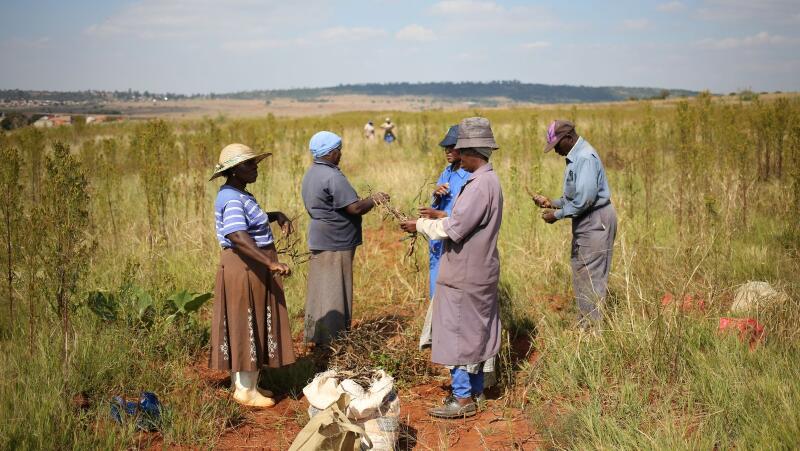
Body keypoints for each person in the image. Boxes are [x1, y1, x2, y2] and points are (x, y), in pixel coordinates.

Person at [400, 117, 502, 419]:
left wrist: (419, 224)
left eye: (459, 149)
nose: (455, 154)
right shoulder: (487, 181)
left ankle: (462, 397)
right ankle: (477, 391)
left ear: (472, 152)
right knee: (476, 332)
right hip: (480, 269)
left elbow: (453, 228)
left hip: (464, 273)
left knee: (455, 332)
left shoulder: (478, 185)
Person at [208, 143, 296, 408]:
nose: (255, 167)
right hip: (245, 266)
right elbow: (237, 236)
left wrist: (275, 215)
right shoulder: (232, 198)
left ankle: (245, 385)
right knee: (248, 323)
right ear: (234, 171)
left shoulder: (238, 194)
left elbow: (248, 224)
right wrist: (268, 263)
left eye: (255, 163)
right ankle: (246, 391)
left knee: (249, 321)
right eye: (249, 164)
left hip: (248, 265)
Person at [301, 131, 390, 346]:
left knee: (319, 288)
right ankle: (335, 339)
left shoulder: (312, 172)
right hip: (336, 240)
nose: (340, 154)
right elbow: (355, 207)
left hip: (320, 237)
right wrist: (375, 199)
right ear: (331, 153)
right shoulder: (332, 176)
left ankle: (316, 334)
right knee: (335, 289)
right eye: (338, 150)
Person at [533, 120, 617, 329]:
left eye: (557, 146)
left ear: (568, 138)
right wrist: (551, 202)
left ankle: (591, 333)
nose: (556, 152)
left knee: (591, 277)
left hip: (595, 221)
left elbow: (585, 200)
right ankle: (585, 326)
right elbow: (577, 197)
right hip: (586, 221)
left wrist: (557, 214)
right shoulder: (575, 158)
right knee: (582, 273)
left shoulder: (585, 158)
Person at [419, 125, 469, 299]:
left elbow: (465, 215)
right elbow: (437, 203)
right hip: (437, 241)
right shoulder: (446, 172)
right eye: (445, 148)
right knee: (436, 287)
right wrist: (436, 196)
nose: (447, 151)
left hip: (453, 238)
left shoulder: (469, 176)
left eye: (451, 147)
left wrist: (438, 214)